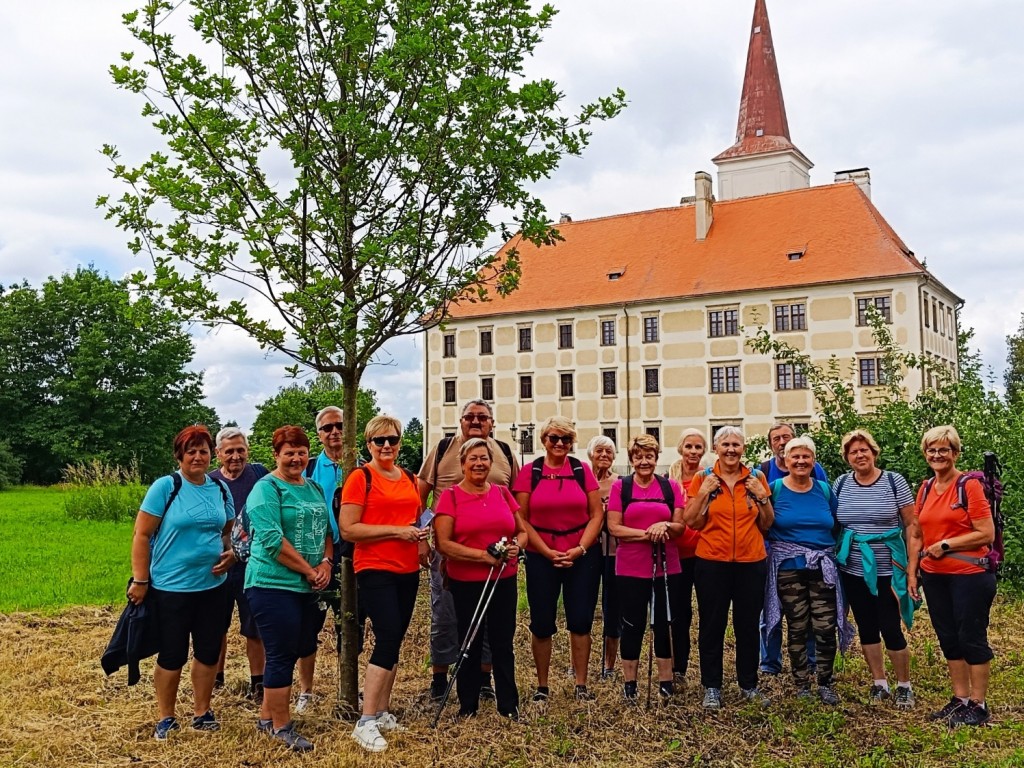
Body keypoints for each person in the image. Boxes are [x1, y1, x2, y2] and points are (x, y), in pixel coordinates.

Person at [127, 425, 235, 740]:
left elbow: (225, 531)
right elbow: (142, 535)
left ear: (211, 455)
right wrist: (140, 580)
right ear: (180, 455)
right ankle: (166, 717)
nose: (198, 457)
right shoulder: (166, 486)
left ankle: (202, 712)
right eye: (192, 451)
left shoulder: (219, 489)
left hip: (213, 586)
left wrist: (230, 554)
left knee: (208, 652)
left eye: (203, 451)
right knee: (172, 654)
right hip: (171, 588)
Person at [418, 399, 519, 701]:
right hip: (452, 553)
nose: (476, 422)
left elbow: (514, 500)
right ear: (460, 421)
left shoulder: (503, 452)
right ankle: (440, 677)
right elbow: (420, 497)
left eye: (483, 418)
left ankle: (484, 679)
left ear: (492, 423)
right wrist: (422, 537)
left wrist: (515, 542)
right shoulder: (443, 449)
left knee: (492, 623)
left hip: (497, 559)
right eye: (470, 417)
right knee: (447, 617)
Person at [341, 415, 428, 752]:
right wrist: (395, 532)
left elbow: (417, 517)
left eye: (392, 440)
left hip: (407, 567)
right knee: (388, 633)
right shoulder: (360, 478)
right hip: (375, 566)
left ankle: (381, 711)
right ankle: (364, 721)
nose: (387, 446)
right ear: (369, 445)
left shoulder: (408, 476)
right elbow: (349, 528)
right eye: (379, 441)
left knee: (396, 638)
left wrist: (423, 543)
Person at [244, 426, 332, 752]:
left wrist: (325, 563)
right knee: (280, 653)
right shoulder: (266, 489)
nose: (296, 458)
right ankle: (282, 726)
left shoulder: (313, 487)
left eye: (301, 451)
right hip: (271, 584)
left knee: (297, 646)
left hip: (308, 585)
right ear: (276, 455)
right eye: (288, 452)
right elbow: (270, 541)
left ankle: (268, 715)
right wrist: (309, 570)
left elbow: (326, 531)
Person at [513, 416, 604, 702]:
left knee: (580, 621)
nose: (560, 444)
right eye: (554, 438)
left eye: (566, 439)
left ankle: (581, 684)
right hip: (542, 556)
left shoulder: (582, 470)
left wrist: (580, 549)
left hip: (581, 556)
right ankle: (542, 685)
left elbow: (596, 515)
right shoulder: (530, 472)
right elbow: (522, 520)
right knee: (541, 622)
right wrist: (545, 550)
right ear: (544, 440)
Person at [434, 437, 527, 719]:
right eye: (472, 458)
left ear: (491, 463)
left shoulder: (502, 492)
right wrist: (481, 556)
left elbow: (521, 531)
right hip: (466, 580)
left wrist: (516, 546)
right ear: (462, 464)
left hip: (503, 577)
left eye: (483, 458)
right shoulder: (450, 496)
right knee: (469, 641)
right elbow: (443, 543)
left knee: (502, 641)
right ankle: (468, 704)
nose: (479, 463)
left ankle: (509, 705)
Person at [683, 426, 773, 710]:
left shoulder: (756, 478)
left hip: (751, 562)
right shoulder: (703, 478)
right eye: (726, 445)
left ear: (743, 448)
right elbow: (691, 521)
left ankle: (749, 684)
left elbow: (767, 523)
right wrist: (703, 494)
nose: (731, 449)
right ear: (716, 448)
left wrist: (762, 496)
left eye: (736, 444)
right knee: (712, 625)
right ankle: (712, 686)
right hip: (712, 562)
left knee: (747, 625)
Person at [913, 425, 996, 727]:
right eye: (932, 450)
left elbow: (986, 532)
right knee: (948, 637)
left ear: (955, 453)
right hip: (935, 575)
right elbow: (917, 533)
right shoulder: (924, 488)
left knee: (970, 637)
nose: (937, 455)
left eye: (944, 450)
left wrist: (947, 544)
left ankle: (979, 703)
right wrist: (913, 573)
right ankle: (959, 699)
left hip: (970, 574)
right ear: (926, 454)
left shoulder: (968, 486)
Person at [833, 429, 921, 708]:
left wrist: (911, 568)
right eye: (853, 452)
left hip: (887, 569)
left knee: (890, 627)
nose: (859, 455)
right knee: (866, 627)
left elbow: (912, 525)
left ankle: (904, 685)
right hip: (853, 569)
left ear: (874, 452)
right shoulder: (840, 484)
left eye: (864, 450)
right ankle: (879, 683)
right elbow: (836, 524)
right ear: (847, 457)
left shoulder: (894, 482)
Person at [763, 436, 852, 705]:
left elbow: (836, 525)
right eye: (795, 457)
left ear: (813, 461)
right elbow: (764, 523)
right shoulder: (774, 488)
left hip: (822, 567)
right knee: (798, 626)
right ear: (786, 461)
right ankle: (802, 682)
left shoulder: (824, 490)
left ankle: (825, 681)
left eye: (806, 456)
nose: (801, 461)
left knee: (825, 626)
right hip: (788, 569)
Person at [607, 435, 687, 701]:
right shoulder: (622, 487)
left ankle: (666, 680)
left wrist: (664, 527)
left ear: (656, 458)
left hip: (666, 564)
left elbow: (679, 526)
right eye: (638, 456)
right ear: (631, 459)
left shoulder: (670, 487)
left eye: (649, 456)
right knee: (632, 623)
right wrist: (648, 533)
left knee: (664, 622)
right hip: (630, 566)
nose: (644, 461)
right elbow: (614, 527)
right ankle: (630, 683)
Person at [758, 422, 827, 676]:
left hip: (812, 558)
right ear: (773, 446)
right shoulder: (763, 472)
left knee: (807, 614)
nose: (781, 441)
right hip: (773, 554)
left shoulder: (816, 470)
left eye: (786, 436)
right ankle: (769, 664)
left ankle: (809, 661)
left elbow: (821, 501)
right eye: (776, 438)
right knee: (770, 612)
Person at [209, 427, 269, 701]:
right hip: (217, 565)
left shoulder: (259, 475)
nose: (235, 456)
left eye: (240, 450)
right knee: (215, 625)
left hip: (251, 564)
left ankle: (258, 683)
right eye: (229, 451)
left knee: (253, 625)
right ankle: (215, 679)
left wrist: (239, 551)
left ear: (248, 451)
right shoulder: (209, 482)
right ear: (218, 454)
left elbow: (266, 516)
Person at [294, 405, 346, 712]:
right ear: (319, 434)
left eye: (339, 425)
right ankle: (307, 691)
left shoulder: (361, 465)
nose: (335, 432)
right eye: (327, 428)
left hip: (351, 554)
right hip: (315, 556)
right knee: (309, 624)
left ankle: (347, 686)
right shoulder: (308, 469)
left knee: (349, 625)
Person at [666, 428, 706, 682]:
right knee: (680, 614)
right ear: (680, 449)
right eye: (689, 446)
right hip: (676, 554)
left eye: (698, 447)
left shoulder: (708, 478)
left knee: (708, 612)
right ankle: (679, 667)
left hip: (704, 554)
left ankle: (708, 670)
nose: (693, 452)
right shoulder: (668, 480)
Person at [586, 435, 620, 681]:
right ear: (590, 454)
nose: (604, 456)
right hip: (589, 549)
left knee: (613, 608)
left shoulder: (619, 483)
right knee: (583, 606)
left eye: (609, 452)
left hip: (614, 552)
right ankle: (580, 661)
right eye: (599, 451)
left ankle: (609, 664)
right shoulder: (582, 481)